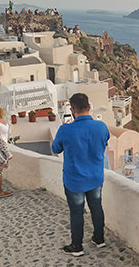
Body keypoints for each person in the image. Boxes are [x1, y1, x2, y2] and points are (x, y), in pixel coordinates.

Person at [52, 93, 110, 257]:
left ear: (72, 110)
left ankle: (77, 246)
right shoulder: (101, 126)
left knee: (77, 212)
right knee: (96, 208)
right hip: (95, 178)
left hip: (74, 180)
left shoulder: (66, 129)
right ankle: (99, 239)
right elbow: (104, 142)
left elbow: (55, 149)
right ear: (89, 107)